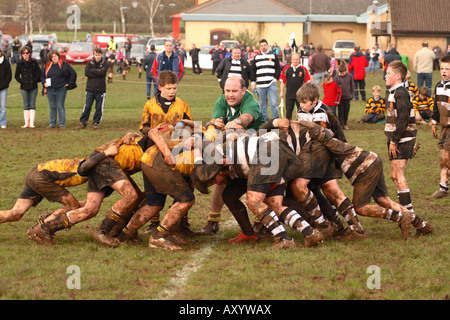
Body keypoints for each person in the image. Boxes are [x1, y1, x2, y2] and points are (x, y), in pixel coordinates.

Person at [307, 122, 434, 239]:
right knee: (383, 200)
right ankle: (422, 225)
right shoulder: (332, 139)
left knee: (360, 207)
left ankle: (400, 217)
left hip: (365, 168)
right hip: (373, 159)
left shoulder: (327, 142)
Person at [27, 134, 144, 246]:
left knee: (90, 209)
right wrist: (109, 151)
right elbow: (148, 132)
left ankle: (44, 228)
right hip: (105, 161)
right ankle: (104, 231)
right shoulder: (157, 137)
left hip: (107, 163)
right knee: (131, 196)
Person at [198, 76, 266, 234]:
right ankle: (212, 221)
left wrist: (237, 123)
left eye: (234, 91)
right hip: (234, 150)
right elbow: (213, 123)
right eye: (227, 90)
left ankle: (260, 222)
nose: (229, 94)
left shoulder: (251, 102)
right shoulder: (222, 101)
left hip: (256, 152)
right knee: (220, 180)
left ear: (243, 90)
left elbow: (247, 117)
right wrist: (213, 125)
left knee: (256, 184)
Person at [0, 143, 119, 226]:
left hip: (35, 172)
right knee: (73, 206)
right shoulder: (89, 166)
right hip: (41, 178)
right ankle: (43, 228)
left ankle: (47, 220)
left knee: (15, 213)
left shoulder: (96, 170)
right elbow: (85, 166)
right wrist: (106, 153)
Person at [139, 70, 193, 234]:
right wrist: (152, 129)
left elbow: (190, 125)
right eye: (168, 88)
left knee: (184, 186)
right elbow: (143, 127)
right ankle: (154, 223)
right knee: (153, 189)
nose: (172, 92)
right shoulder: (150, 105)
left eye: (174, 88)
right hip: (154, 153)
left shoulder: (182, 104)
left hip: (178, 151)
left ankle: (181, 223)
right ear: (160, 87)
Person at [384, 60, 418, 219]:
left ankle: (409, 216)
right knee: (393, 175)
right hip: (396, 138)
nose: (386, 75)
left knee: (398, 173)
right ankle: (407, 213)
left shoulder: (402, 93)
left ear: (398, 76)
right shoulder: (392, 91)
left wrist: (394, 141)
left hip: (402, 139)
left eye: (389, 73)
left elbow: (403, 119)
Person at [428, 54, 450, 199]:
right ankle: (444, 187)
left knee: (445, 158)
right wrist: (434, 122)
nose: (444, 71)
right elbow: (436, 108)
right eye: (442, 68)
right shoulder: (438, 86)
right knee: (444, 156)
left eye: (447, 69)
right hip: (444, 127)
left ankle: (443, 188)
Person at [41, 50, 77, 129]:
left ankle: (61, 124)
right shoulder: (48, 65)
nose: (54, 58)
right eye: (52, 57)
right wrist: (44, 83)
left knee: (60, 106)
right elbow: (42, 75)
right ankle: (52, 123)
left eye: (55, 56)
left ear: (58, 56)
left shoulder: (64, 64)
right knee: (52, 106)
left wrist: (69, 84)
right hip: (50, 89)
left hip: (61, 89)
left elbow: (73, 73)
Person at [75, 47, 108, 130]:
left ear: (101, 55)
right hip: (90, 89)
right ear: (93, 55)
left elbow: (103, 73)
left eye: (99, 55)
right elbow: (87, 73)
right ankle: (83, 122)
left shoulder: (105, 63)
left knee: (99, 107)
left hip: (100, 90)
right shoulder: (89, 63)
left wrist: (93, 71)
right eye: (96, 55)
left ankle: (96, 122)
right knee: (87, 106)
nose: (97, 56)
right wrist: (97, 71)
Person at [250, 39, 281, 121]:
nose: (263, 46)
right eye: (262, 45)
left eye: (265, 45)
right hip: (260, 85)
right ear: (260, 47)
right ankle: (265, 122)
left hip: (271, 84)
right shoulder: (256, 57)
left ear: (267, 45)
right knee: (262, 105)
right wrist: (253, 83)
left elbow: (278, 68)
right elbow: (253, 71)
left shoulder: (273, 56)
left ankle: (276, 121)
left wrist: (275, 79)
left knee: (274, 104)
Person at [279, 52, 311, 119]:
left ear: (299, 60)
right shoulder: (287, 69)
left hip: (300, 95)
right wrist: (281, 92)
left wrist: (306, 93)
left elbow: (307, 82)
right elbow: (282, 82)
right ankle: (288, 127)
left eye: (297, 59)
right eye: (294, 59)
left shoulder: (303, 69)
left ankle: (299, 126)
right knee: (288, 112)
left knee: (301, 112)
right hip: (289, 94)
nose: (295, 61)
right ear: (291, 60)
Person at [334, 63, 354, 129]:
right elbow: (334, 88)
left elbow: (352, 86)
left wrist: (352, 94)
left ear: (346, 71)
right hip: (340, 98)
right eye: (340, 73)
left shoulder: (350, 76)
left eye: (343, 73)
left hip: (347, 97)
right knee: (340, 111)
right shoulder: (336, 78)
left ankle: (345, 123)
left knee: (346, 111)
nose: (342, 74)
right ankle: (341, 124)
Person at [0, 49, 12, 129]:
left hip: (3, 87)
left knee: (3, 106)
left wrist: (5, 84)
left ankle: (3, 122)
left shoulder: (6, 63)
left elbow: (9, 75)